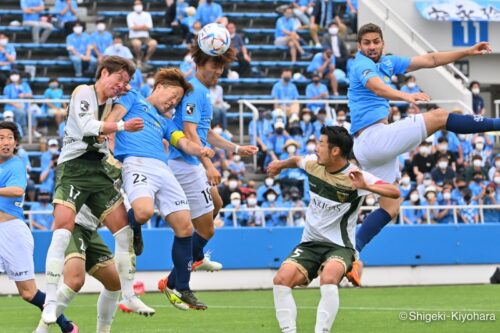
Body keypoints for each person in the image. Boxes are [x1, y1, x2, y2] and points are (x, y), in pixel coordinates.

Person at [348, 23, 498, 282]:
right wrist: (406, 96)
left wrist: (467, 51)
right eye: (366, 43)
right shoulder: (361, 64)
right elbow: (377, 88)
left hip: (374, 147)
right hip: (373, 139)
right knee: (440, 116)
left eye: (375, 42)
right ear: (360, 46)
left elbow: (431, 59)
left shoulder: (388, 62)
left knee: (391, 207)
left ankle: (352, 255)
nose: (371, 47)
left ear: (383, 43)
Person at [40, 56, 154, 325]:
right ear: (104, 73)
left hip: (98, 172)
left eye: (126, 82)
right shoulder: (83, 92)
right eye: (119, 79)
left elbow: (138, 102)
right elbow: (87, 127)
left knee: (124, 230)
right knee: (61, 231)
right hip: (74, 169)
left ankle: (128, 294)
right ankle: (51, 301)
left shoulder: (116, 104)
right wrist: (124, 125)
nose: (121, 86)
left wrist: (127, 93)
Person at [268, 126, 400, 333]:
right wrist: (279, 165)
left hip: (340, 246)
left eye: (321, 143)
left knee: (328, 278)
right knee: (281, 280)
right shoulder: (313, 164)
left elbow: (394, 191)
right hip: (310, 243)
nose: (316, 147)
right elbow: (295, 160)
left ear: (335, 150)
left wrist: (368, 186)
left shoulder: (355, 176)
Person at [109, 68, 215, 310]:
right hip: (136, 162)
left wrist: (200, 150)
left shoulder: (165, 122)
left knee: (185, 226)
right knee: (144, 212)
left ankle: (183, 288)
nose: (174, 102)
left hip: (163, 169)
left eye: (178, 100)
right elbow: (114, 118)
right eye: (173, 96)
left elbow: (182, 141)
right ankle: (134, 224)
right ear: (159, 87)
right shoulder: (133, 98)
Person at [158, 43, 258, 298]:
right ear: (200, 63)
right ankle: (177, 282)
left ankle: (194, 257)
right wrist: (208, 163)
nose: (219, 71)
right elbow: (190, 133)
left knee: (217, 202)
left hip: (189, 163)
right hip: (184, 164)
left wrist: (236, 148)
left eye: (222, 66)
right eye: (215, 65)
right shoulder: (194, 92)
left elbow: (206, 132)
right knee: (206, 229)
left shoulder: (203, 92)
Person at [0, 121, 77, 333]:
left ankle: (67, 325)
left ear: (15, 144)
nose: (5, 142)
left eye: (9, 138)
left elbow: (16, 190)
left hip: (11, 232)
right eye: (1, 138)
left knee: (28, 293)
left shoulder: (15, 164)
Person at [53, 205, 122, 333]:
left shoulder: (118, 186)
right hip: (73, 225)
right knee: (74, 281)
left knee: (114, 283)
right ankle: (41, 329)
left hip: (91, 230)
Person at [127, 0, 157, 68]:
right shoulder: (130, 15)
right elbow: (132, 28)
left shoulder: (147, 14)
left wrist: (137, 26)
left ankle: (146, 60)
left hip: (145, 37)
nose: (138, 5)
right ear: (133, 6)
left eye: (139, 4)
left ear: (142, 5)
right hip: (133, 37)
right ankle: (138, 59)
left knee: (154, 43)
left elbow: (149, 27)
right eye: (136, 4)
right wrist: (144, 26)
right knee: (137, 44)